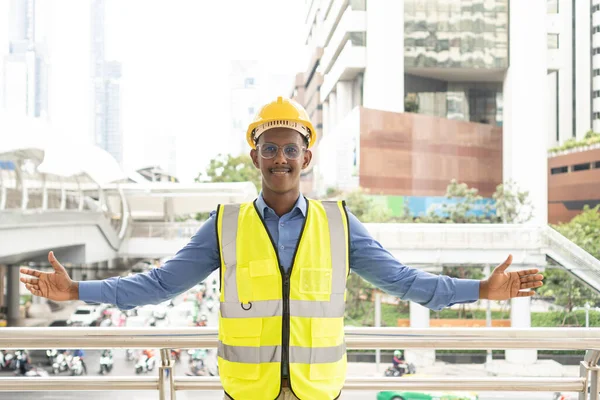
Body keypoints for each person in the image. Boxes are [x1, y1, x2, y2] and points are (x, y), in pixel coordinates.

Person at [19, 96, 544, 400]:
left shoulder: (340, 223)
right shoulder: (223, 225)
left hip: (319, 393)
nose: (279, 159)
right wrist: (77, 289)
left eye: (289, 150)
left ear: (306, 156)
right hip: (247, 392)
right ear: (256, 155)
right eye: (269, 149)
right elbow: (158, 284)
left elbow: (405, 281)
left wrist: (479, 288)